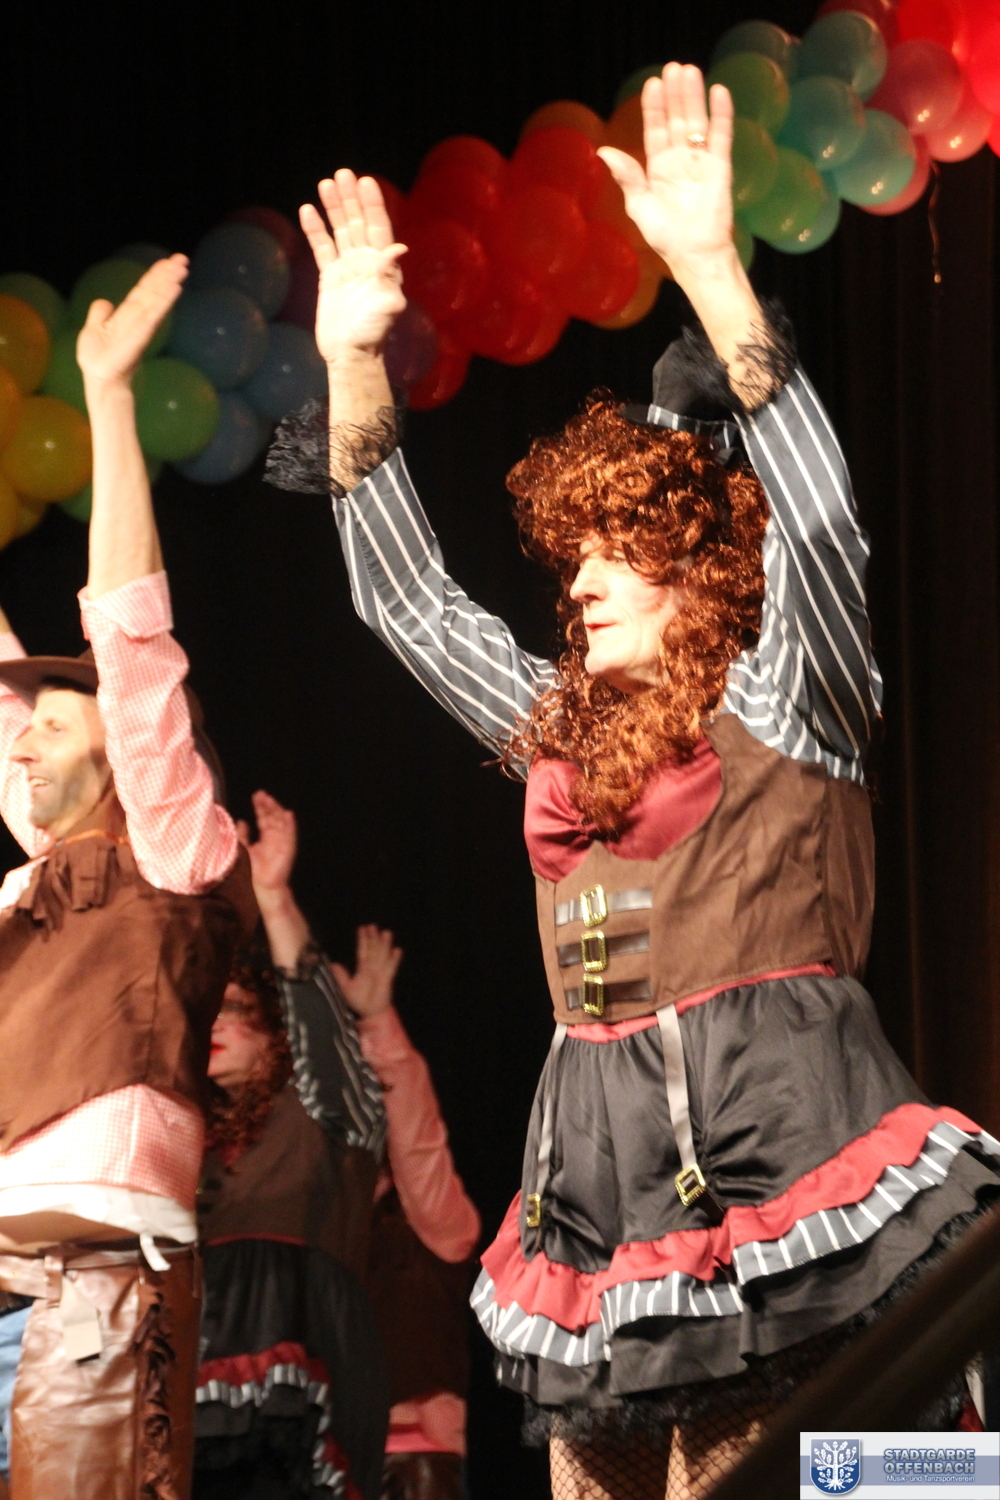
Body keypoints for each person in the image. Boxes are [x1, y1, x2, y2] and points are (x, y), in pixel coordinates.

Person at [266, 64, 1000, 1500]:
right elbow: (410, 608)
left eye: (617, 556)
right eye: (574, 559)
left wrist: (713, 272)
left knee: (834, 1475)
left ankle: (941, 1474)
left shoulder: (784, 697)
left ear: (700, 577)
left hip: (785, 1158)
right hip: (598, 1198)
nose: (581, 584)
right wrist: (353, 361)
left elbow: (823, 524)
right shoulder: (561, 728)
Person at [0, 258, 257, 1498]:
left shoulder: (168, 851)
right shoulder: (30, 887)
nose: (25, 740)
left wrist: (106, 399)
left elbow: (130, 636)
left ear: (120, 748)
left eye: (55, 722)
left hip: (96, 1294)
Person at [195, 790, 389, 1500]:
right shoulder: (186, 1138)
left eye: (237, 1010)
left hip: (305, 1338)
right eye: (210, 1011)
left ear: (275, 1035)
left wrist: (274, 899)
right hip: (201, 1345)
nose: (216, 1023)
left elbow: (323, 1028)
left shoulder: (320, 1108)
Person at [343, 930, 480, 1500]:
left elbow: (417, 1135)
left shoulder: (433, 1221)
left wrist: (376, 1021)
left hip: (414, 1460)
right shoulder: (319, 1215)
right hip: (326, 1450)